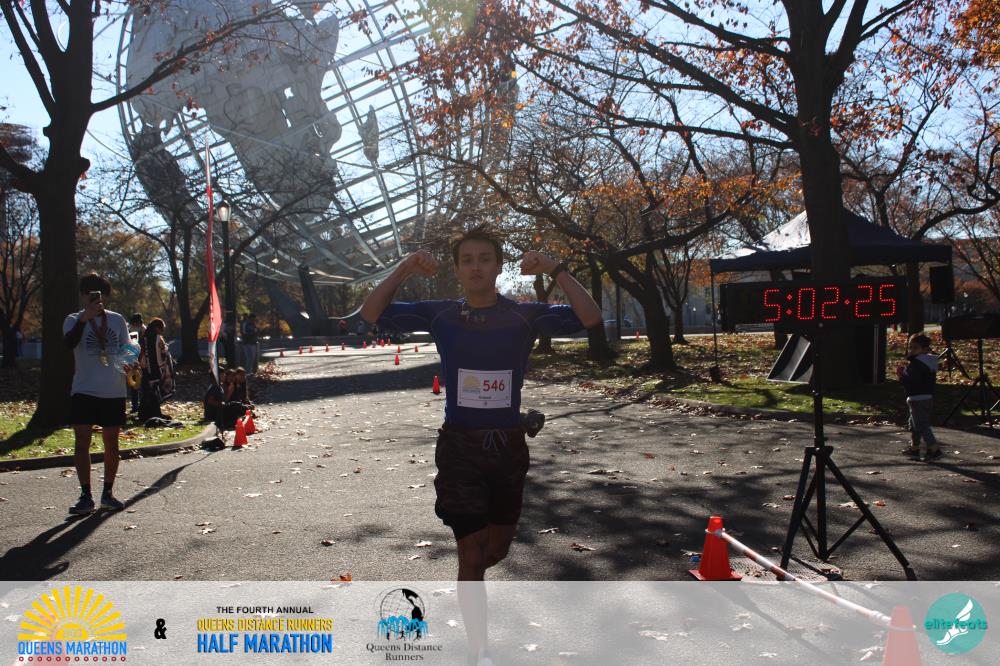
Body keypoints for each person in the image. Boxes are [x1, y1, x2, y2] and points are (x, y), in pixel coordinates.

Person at [360, 224, 601, 666]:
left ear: (498, 266)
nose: (476, 267)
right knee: (471, 555)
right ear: (456, 270)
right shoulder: (441, 314)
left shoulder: (523, 315)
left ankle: (469, 586)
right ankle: (478, 651)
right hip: (459, 448)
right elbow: (371, 312)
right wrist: (405, 267)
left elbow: (590, 317)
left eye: (484, 259)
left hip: (508, 448)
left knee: (495, 551)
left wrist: (554, 267)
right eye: (467, 261)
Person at [62, 273, 129, 514]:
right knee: (82, 442)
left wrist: (131, 362)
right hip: (84, 389)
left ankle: (107, 493)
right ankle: (85, 495)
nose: (94, 298)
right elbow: (68, 344)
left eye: (99, 294)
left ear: (105, 296)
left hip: (113, 389)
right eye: (89, 293)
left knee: (111, 443)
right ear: (82, 295)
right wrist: (85, 319)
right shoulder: (72, 319)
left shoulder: (117, 320)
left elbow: (126, 349)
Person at [896, 333, 941, 461]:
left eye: (915, 347)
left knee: (921, 425)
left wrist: (902, 375)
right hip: (924, 398)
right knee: (915, 425)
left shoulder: (917, 364)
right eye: (910, 347)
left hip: (918, 399)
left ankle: (934, 448)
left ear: (925, 349)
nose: (911, 350)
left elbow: (912, 381)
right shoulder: (926, 363)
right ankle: (914, 447)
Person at [138, 318, 176, 423]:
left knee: (147, 391)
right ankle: (155, 412)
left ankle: (144, 413)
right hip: (156, 368)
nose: (162, 331)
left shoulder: (144, 337)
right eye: (161, 329)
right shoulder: (158, 338)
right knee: (155, 392)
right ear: (156, 328)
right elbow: (164, 351)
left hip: (145, 368)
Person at [126, 314, 145, 413]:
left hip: (143, 361)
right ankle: (135, 406)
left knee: (142, 384)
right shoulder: (129, 331)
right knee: (134, 384)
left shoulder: (144, 332)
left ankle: (142, 405)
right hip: (133, 361)